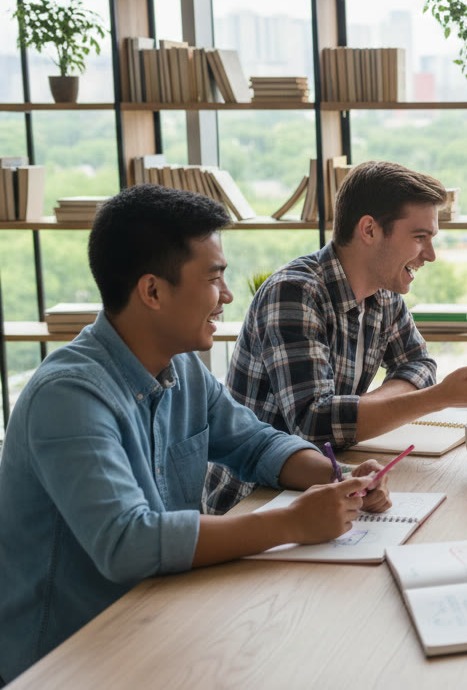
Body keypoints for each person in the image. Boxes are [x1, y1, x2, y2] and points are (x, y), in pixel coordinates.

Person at [0, 185, 392, 683]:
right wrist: (291, 523)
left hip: (162, 618)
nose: (227, 296)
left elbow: (256, 443)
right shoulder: (68, 397)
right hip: (71, 661)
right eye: (214, 278)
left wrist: (340, 475)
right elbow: (127, 543)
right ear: (153, 291)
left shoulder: (181, 368)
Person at [202, 161, 467, 514]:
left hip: (335, 480)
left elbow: (419, 364)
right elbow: (313, 425)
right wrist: (435, 399)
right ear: (369, 229)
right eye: (419, 237)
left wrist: (375, 405)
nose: (430, 255)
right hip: (254, 501)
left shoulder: (383, 294)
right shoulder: (294, 292)